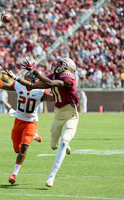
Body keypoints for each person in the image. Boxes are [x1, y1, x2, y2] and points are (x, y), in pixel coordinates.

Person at [6, 58, 79, 187]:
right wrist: (17, 78)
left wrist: (34, 71)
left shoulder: (69, 77)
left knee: (62, 142)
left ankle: (52, 176)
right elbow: (33, 86)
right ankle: (66, 143)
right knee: (53, 146)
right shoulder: (53, 75)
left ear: (67, 67)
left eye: (61, 64)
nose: (57, 65)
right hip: (58, 114)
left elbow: (50, 82)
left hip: (71, 114)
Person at [0, 64, 53, 185]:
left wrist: (60, 92)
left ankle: (14, 174)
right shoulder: (19, 85)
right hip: (18, 120)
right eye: (27, 81)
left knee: (25, 147)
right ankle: (35, 136)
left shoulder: (42, 91)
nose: (28, 84)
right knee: (17, 149)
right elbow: (3, 85)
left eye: (30, 82)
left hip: (31, 122)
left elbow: (52, 98)